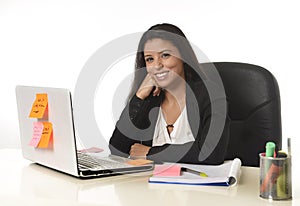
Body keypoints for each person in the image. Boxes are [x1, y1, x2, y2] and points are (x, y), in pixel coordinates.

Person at [109, 23, 230, 165]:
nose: (157, 65)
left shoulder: (210, 94)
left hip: (200, 186)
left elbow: (211, 153)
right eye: (150, 59)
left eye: (165, 55)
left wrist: (150, 152)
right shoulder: (149, 100)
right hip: (150, 185)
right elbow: (117, 149)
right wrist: (139, 96)